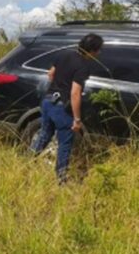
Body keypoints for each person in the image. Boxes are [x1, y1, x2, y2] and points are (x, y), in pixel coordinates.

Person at [30, 33, 104, 183]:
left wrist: (59, 84)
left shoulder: (64, 54)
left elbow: (51, 74)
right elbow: (75, 93)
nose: (99, 53)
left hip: (48, 101)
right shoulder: (83, 66)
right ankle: (61, 179)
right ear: (93, 51)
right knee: (65, 143)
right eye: (99, 50)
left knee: (45, 133)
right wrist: (77, 119)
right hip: (61, 108)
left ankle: (28, 161)